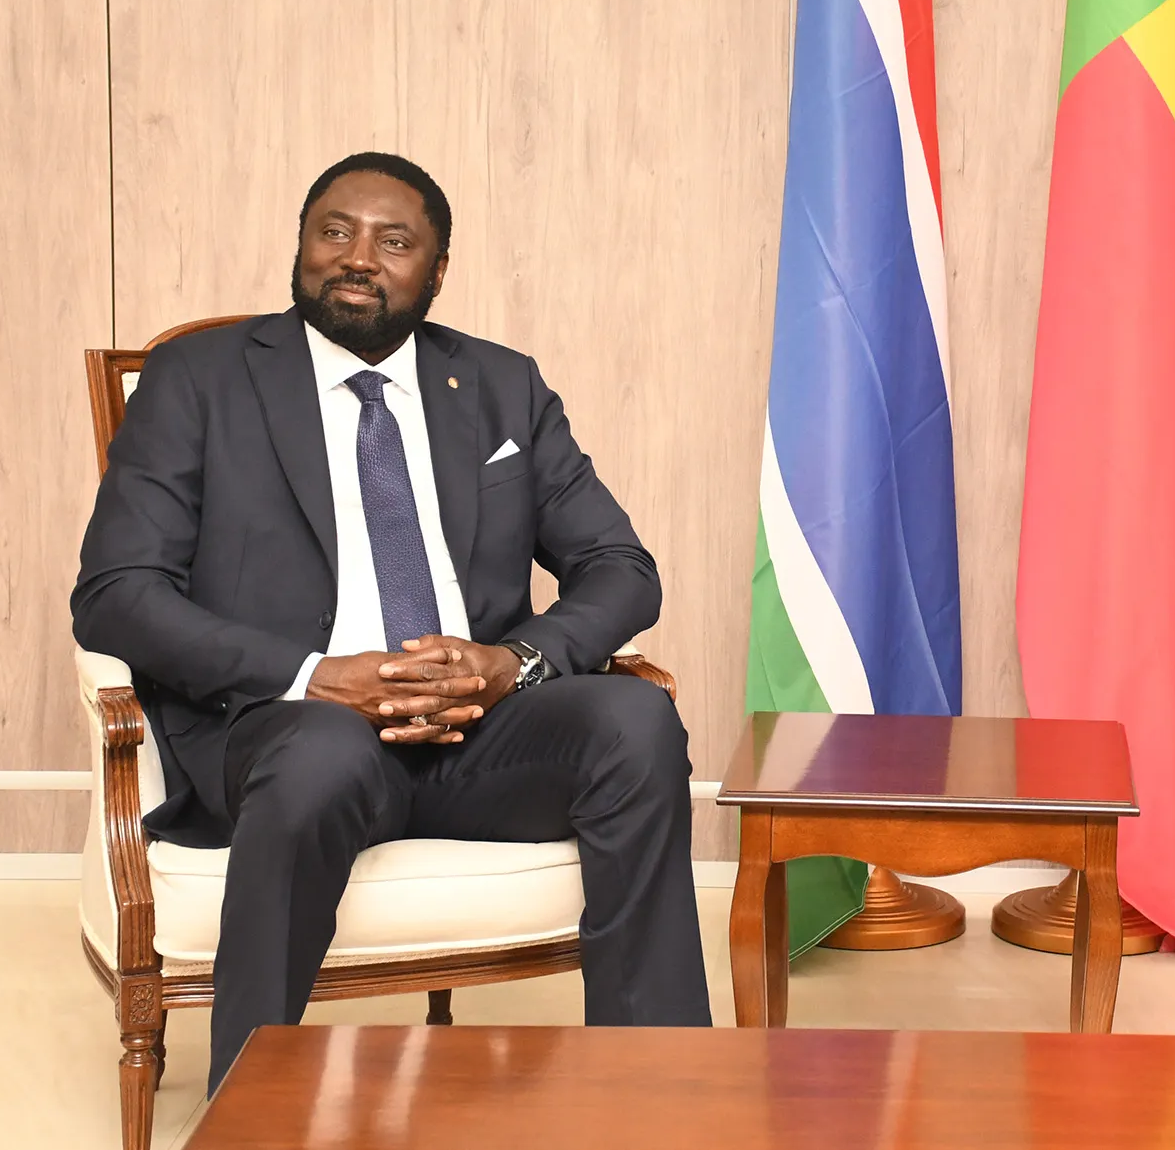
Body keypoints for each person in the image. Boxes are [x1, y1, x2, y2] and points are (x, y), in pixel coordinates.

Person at [72, 152, 711, 1090]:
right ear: (301, 245)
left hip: (479, 732)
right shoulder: (199, 378)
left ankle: (654, 1093)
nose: (357, 258)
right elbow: (117, 590)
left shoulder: (500, 386)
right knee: (323, 748)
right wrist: (315, 676)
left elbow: (621, 568)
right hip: (290, 726)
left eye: (393, 240)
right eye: (334, 232)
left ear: (437, 269)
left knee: (635, 719)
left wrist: (514, 661)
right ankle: (252, 1108)